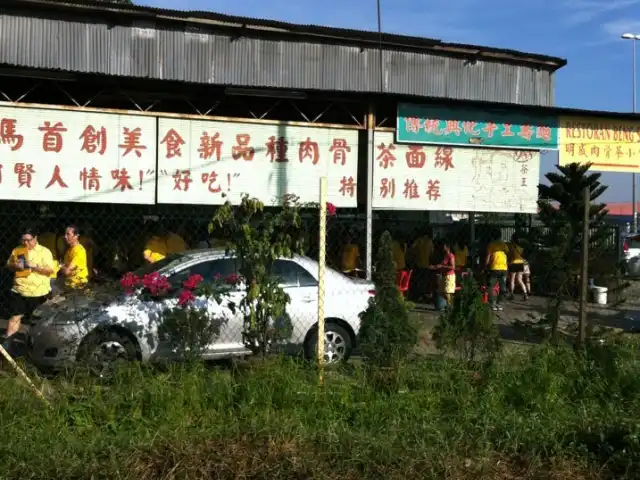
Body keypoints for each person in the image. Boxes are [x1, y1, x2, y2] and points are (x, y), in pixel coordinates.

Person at [3, 226, 54, 355]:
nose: (26, 243)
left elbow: (50, 270)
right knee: (15, 317)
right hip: (19, 290)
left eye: (29, 240)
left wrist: (34, 266)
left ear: (36, 238)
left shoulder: (44, 251)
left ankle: (36, 349)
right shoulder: (18, 249)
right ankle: (7, 347)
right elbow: (8, 265)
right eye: (23, 240)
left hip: (38, 292)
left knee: (37, 322)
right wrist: (15, 266)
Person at [485, 230, 509, 312]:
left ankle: (492, 304)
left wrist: (485, 266)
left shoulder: (491, 245)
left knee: (491, 286)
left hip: (494, 268)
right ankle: (500, 304)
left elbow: (488, 257)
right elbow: (506, 254)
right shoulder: (504, 244)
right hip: (504, 268)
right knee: (503, 287)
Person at [60, 225, 89, 290]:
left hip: (79, 286)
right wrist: (63, 267)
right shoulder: (69, 250)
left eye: (68, 234)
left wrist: (61, 266)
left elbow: (67, 271)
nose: (65, 236)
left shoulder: (80, 251)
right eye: (65, 234)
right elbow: (65, 268)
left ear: (76, 236)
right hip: (69, 284)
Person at [508, 234, 528, 301]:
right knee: (520, 279)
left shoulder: (511, 247)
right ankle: (525, 294)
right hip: (521, 263)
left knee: (512, 280)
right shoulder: (521, 248)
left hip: (513, 263)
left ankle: (512, 295)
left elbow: (510, 256)